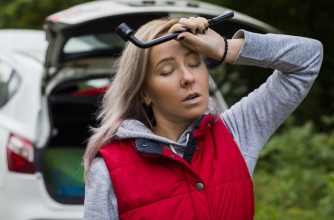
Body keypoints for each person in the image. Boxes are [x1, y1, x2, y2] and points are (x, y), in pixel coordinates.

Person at [83, 15, 323, 219]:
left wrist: (226, 48)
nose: (188, 77)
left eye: (194, 62)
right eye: (167, 70)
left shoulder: (236, 132)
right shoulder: (108, 169)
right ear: (145, 93)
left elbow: (308, 58)